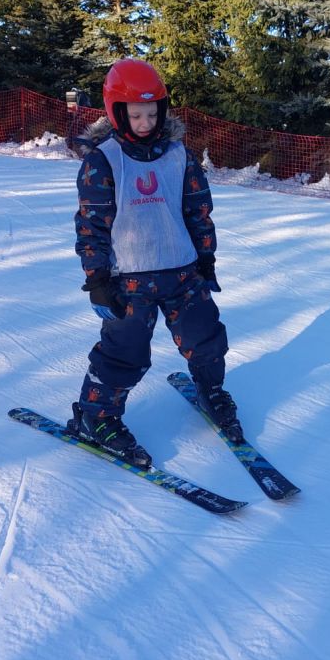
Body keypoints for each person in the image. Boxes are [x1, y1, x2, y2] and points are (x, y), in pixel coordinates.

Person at [68, 57, 242, 469]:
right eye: (135, 115)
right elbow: (92, 225)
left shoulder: (179, 155)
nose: (145, 122)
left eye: (152, 113)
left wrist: (206, 258)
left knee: (206, 337)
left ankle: (211, 389)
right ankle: (96, 417)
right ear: (116, 112)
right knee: (124, 353)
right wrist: (97, 279)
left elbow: (198, 210)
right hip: (128, 279)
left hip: (182, 270)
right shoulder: (103, 160)